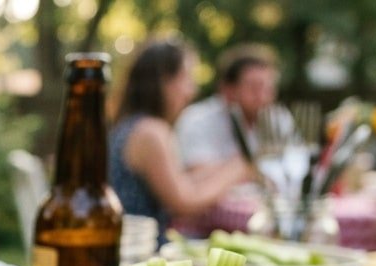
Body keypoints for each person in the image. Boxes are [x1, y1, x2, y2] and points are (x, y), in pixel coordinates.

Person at [108, 37, 254, 238]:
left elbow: (180, 181)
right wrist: (238, 169)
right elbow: (184, 203)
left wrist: (221, 169)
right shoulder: (150, 132)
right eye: (187, 78)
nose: (192, 90)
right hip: (143, 249)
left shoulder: (133, 125)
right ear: (164, 81)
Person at [175, 43, 293, 171]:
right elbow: (198, 173)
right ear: (227, 90)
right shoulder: (197, 120)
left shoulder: (278, 119)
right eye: (254, 87)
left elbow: (294, 167)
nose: (262, 96)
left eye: (268, 88)